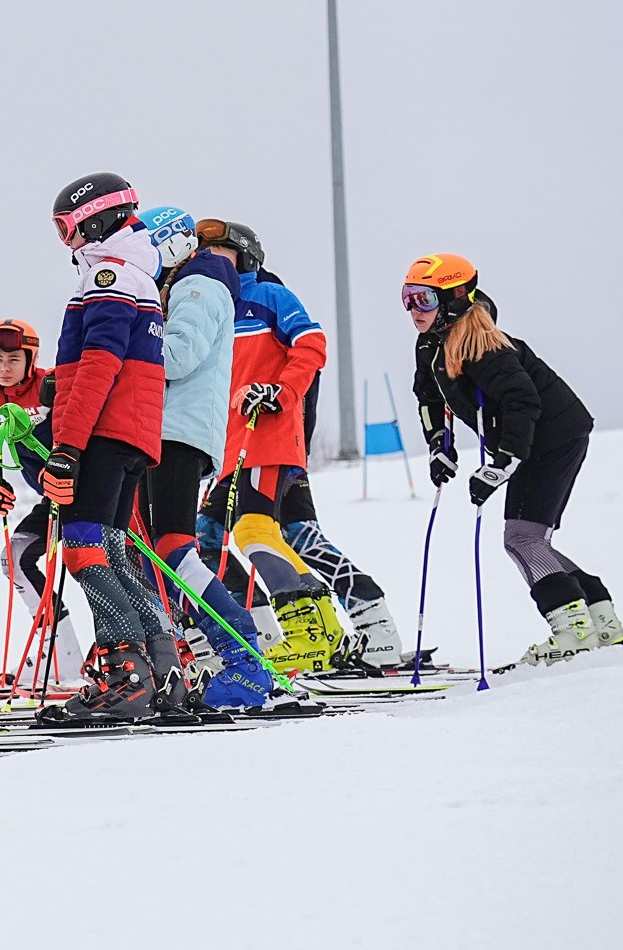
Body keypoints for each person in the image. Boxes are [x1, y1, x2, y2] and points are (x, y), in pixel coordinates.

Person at [404, 254, 623, 665]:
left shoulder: (484, 345)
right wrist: (439, 443)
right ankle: (601, 621)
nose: (412, 310)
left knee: (522, 539)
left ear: (453, 299)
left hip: (551, 437)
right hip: (537, 439)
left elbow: (522, 402)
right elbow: (428, 397)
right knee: (530, 540)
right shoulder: (431, 344)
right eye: (407, 298)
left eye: (422, 299)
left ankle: (574, 632)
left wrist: (504, 462)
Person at [199, 218, 398, 670]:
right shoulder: (209, 309)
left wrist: (281, 392)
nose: (208, 263)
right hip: (230, 446)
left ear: (245, 257)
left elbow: (311, 344)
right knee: (215, 537)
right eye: (202, 256)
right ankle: (290, 629)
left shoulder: (268, 296)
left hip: (266, 436)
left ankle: (312, 631)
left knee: (253, 533)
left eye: (219, 254)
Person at [135, 207, 292, 711]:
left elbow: (178, 356)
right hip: (169, 430)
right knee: (158, 552)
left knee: (176, 550)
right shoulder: (192, 286)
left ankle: (243, 656)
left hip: (174, 433)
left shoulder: (198, 285)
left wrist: (125, 348)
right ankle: (189, 656)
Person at [36, 173, 174, 725]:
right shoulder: (139, 272)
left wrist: (67, 444)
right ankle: (162, 668)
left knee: (83, 550)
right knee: (113, 550)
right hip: (131, 432)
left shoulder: (109, 272)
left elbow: (100, 363)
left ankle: (124, 673)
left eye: (68, 229)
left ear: (98, 219)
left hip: (103, 430)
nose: (68, 243)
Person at [0, 318, 84, 685]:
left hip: (88, 492)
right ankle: (61, 657)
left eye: (14, 359)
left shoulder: (52, 383)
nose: (5, 368)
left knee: (90, 565)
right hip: (52, 499)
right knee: (15, 559)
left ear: (31, 358)